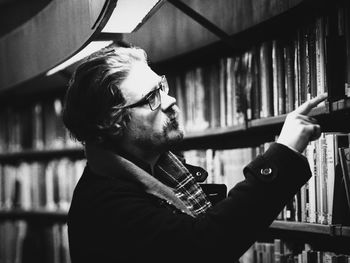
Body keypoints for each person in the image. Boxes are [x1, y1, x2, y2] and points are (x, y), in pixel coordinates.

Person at [62, 41, 327, 263]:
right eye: (151, 97)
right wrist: (284, 152)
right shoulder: (104, 204)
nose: (171, 100)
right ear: (114, 122)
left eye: (162, 87)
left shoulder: (161, 171)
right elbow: (205, 245)